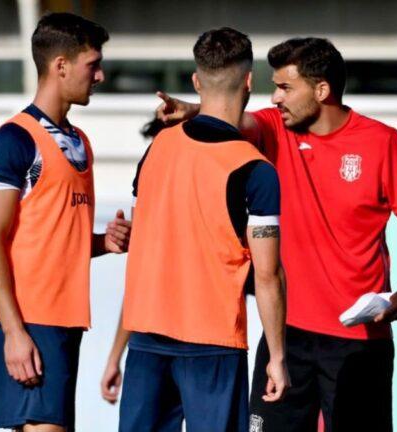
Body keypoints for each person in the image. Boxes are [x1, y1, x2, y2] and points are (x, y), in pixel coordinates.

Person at [153, 36, 397, 431]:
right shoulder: (274, 129)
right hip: (286, 338)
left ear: (321, 90)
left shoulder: (382, 142)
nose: (274, 98)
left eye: (285, 87)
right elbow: (235, 120)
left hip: (359, 340)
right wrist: (190, 109)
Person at [102, 27, 290, 432]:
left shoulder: (156, 150)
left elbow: (145, 247)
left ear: (195, 81)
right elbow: (269, 275)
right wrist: (277, 356)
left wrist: (117, 351)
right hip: (213, 345)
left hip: (147, 339)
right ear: (249, 81)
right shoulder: (255, 169)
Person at [0, 12, 130, 432]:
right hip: (30, 320)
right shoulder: (15, 139)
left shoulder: (80, 142)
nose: (99, 76)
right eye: (93, 64)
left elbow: (56, 237)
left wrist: (104, 241)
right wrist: (13, 331)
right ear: (60, 65)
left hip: (66, 321)